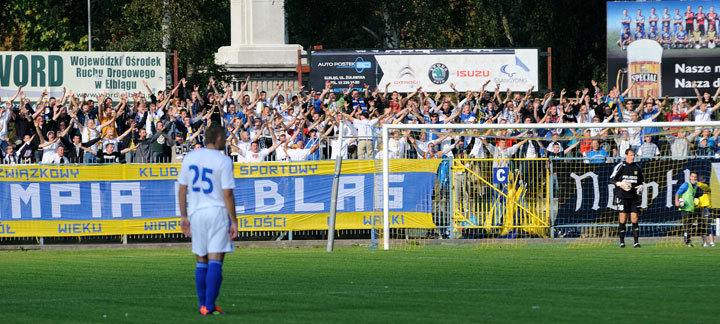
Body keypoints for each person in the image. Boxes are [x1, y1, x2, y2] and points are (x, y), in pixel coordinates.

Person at [177, 124, 237, 316]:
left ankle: (203, 305)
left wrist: (184, 216)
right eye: (225, 138)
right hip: (216, 212)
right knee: (216, 258)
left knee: (201, 259)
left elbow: (182, 188)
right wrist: (234, 220)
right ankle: (209, 306)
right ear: (219, 139)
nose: (226, 141)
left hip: (195, 213)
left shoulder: (190, 157)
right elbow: (227, 193)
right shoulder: (224, 161)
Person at [610, 148, 644, 248]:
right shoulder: (621, 166)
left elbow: (640, 182)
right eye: (631, 155)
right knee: (623, 218)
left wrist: (641, 187)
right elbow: (611, 179)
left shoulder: (637, 168)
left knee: (634, 218)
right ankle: (622, 242)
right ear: (626, 155)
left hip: (633, 196)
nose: (633, 157)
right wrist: (620, 184)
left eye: (634, 155)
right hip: (622, 196)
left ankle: (636, 242)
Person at [675, 172, 702, 247]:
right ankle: (687, 243)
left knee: (690, 226)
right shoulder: (686, 184)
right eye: (693, 176)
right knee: (686, 226)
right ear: (690, 177)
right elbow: (677, 193)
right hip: (685, 208)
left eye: (695, 177)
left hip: (691, 209)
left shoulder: (695, 187)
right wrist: (676, 201)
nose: (694, 178)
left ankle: (689, 241)